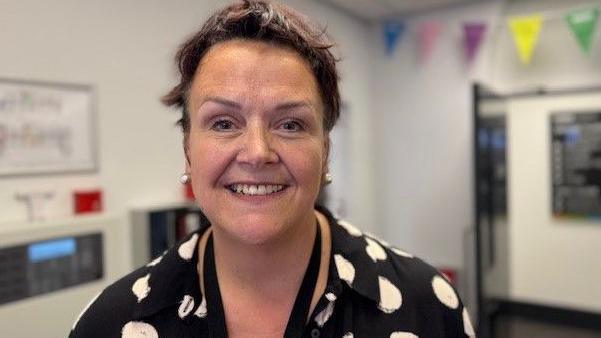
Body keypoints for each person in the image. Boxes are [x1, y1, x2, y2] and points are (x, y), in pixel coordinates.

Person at [70, 1, 475, 337]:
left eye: (291, 124)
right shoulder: (114, 322)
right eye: (224, 123)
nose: (258, 152)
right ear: (188, 152)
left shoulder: (427, 307)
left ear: (326, 152)